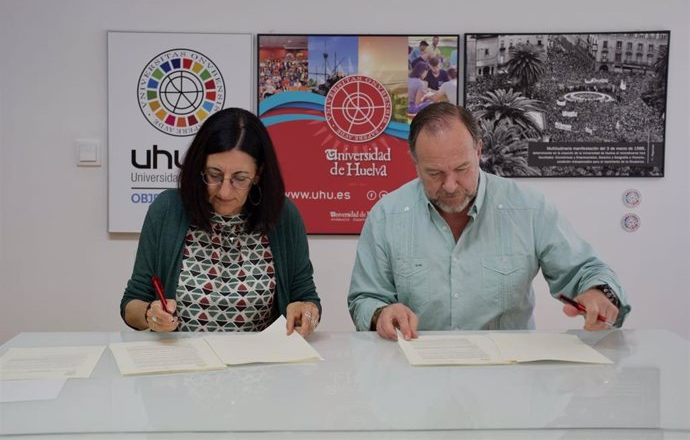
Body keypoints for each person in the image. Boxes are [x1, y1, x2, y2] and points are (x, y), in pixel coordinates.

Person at [348, 102, 630, 341]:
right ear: (414, 162)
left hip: (509, 377)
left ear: (479, 151)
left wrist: (598, 293)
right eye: (434, 173)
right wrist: (380, 314)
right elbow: (364, 299)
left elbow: (585, 270)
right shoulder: (387, 216)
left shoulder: (528, 209)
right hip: (416, 375)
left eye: (461, 169)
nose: (449, 185)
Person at [121, 108, 321, 336]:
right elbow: (131, 304)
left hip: (259, 365)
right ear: (199, 167)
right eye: (213, 175)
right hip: (181, 363)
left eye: (240, 178)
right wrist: (150, 313)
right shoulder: (168, 209)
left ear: (258, 174)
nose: (225, 191)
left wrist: (306, 312)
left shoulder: (283, 215)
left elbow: (306, 298)